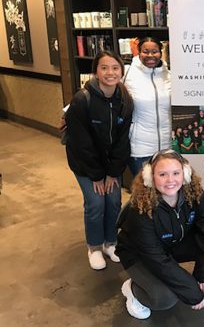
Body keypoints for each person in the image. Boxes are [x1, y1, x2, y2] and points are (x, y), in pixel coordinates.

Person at [116, 149, 204, 319]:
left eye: (176, 173)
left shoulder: (194, 192)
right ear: (150, 177)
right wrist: (191, 292)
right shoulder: (139, 207)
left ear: (185, 173)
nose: (170, 180)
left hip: (172, 244)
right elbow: (155, 257)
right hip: (140, 254)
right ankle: (132, 290)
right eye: (162, 174)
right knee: (164, 298)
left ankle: (201, 285)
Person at [65, 50, 133, 270]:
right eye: (104, 67)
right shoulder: (81, 100)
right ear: (95, 71)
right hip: (85, 162)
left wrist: (113, 172)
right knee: (95, 203)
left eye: (115, 67)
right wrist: (96, 175)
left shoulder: (125, 99)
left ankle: (110, 243)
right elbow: (81, 143)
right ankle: (94, 247)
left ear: (122, 71)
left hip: (109, 164)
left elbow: (122, 140)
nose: (110, 72)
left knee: (113, 201)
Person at [123, 37, 172, 176]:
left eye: (155, 51)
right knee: (143, 193)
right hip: (140, 148)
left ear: (161, 52)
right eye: (146, 51)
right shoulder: (127, 73)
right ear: (139, 52)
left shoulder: (168, 75)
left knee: (164, 191)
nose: (150, 55)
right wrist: (69, 111)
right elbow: (100, 88)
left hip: (167, 147)